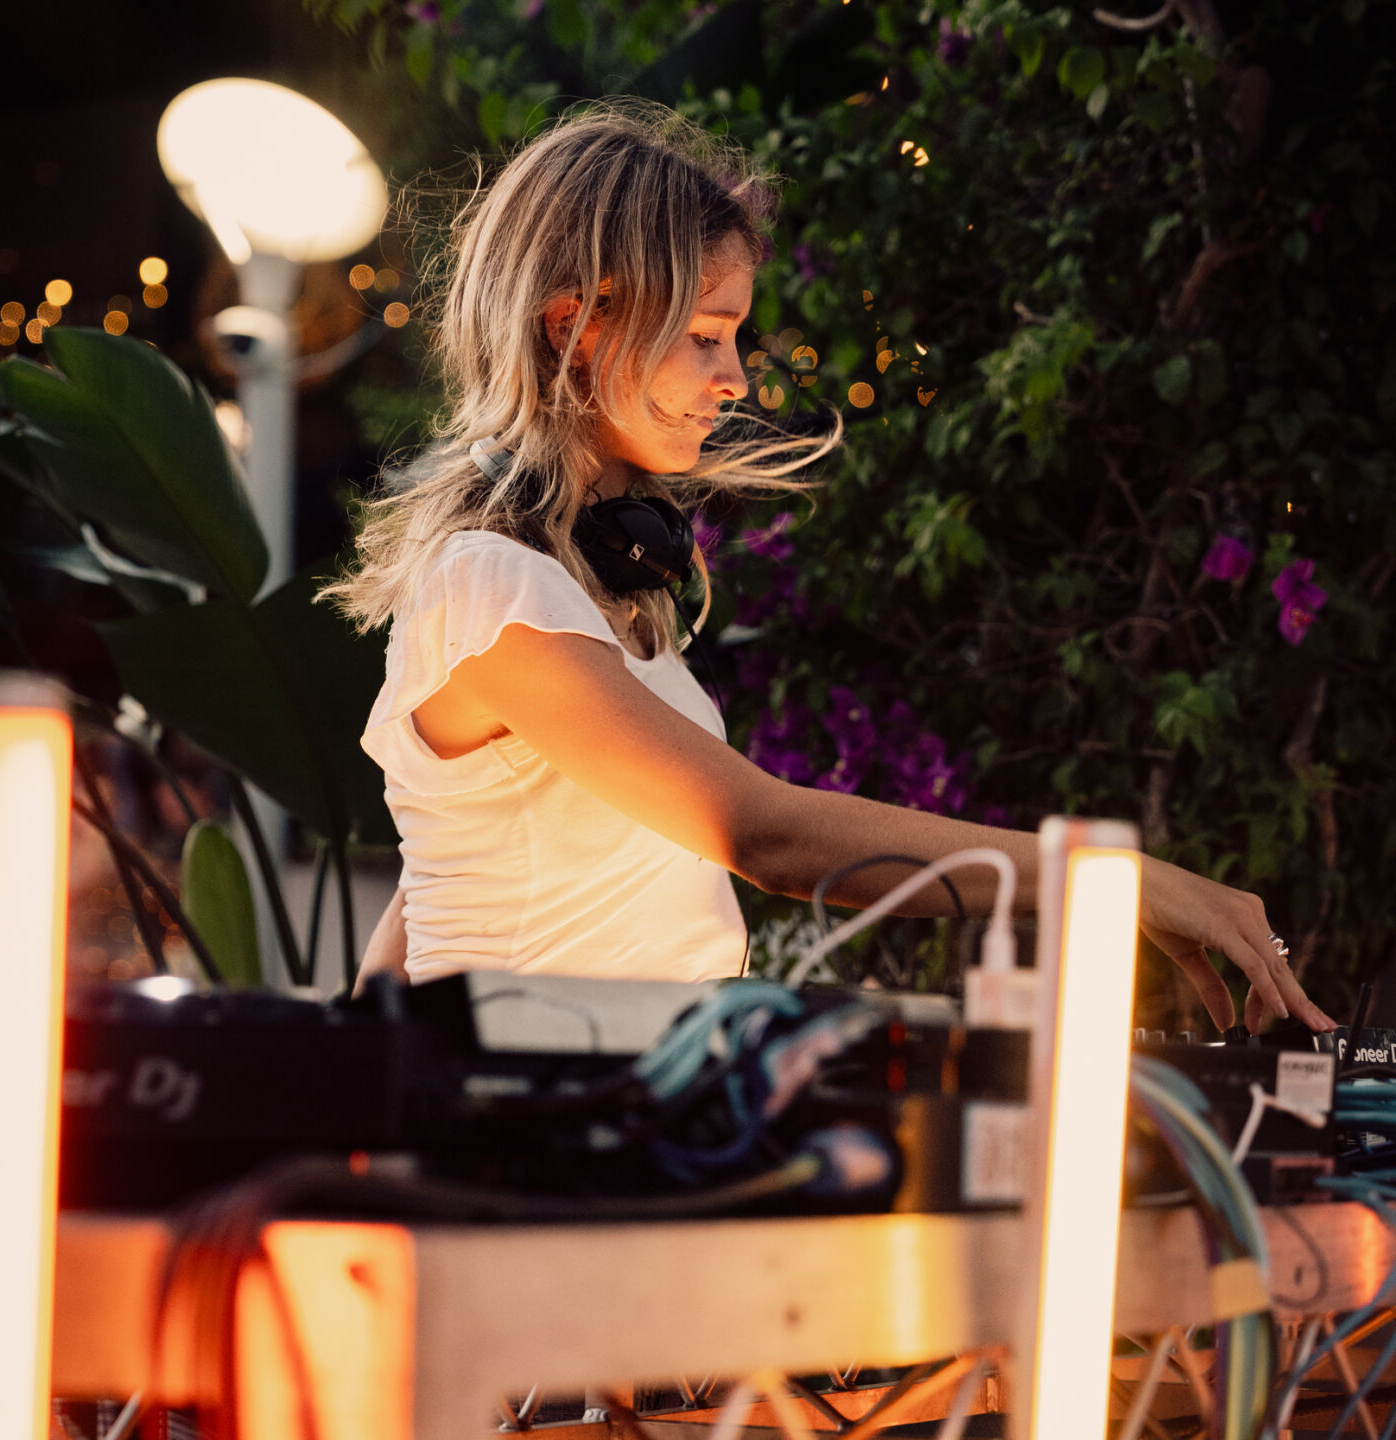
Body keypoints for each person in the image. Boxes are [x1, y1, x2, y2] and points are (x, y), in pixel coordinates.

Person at [325, 101, 1334, 1035]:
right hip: (527, 1110)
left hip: (622, 1090)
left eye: (735, 338)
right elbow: (759, 833)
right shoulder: (492, 588)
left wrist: (360, 1057)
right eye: (705, 337)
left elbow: (443, 870)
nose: (734, 378)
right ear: (575, 329)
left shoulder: (591, 581)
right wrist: (1107, 875)